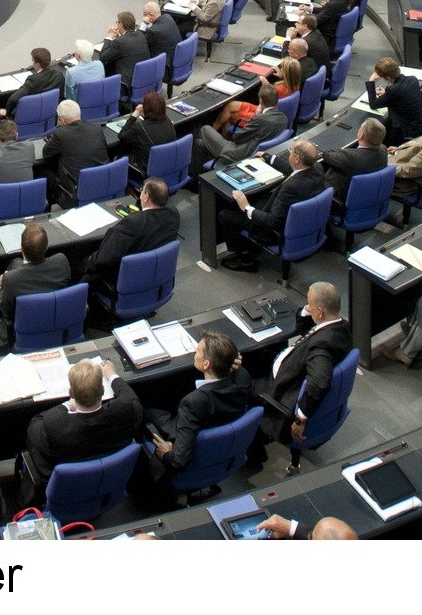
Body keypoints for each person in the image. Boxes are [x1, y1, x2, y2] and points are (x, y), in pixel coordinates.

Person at [252, 282, 353, 463]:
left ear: (320, 312)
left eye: (311, 306)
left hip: (280, 391)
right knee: (263, 355)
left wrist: (300, 419)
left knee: (243, 382)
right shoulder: (340, 327)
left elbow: (320, 382)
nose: (308, 308)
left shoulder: (322, 346)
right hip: (293, 368)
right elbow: (302, 327)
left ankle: (253, 446)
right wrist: (309, 309)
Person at [145, 330, 254, 495]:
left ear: (206, 365)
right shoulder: (244, 378)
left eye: (197, 351)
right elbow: (239, 371)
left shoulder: (193, 402)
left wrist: (166, 453)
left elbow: (178, 462)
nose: (194, 353)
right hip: (220, 439)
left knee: (144, 407)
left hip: (187, 435)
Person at [21, 357, 143, 498]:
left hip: (69, 497)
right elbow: (131, 398)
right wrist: (112, 376)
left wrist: (66, 405)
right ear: (103, 390)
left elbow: (35, 424)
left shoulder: (54, 425)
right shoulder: (124, 412)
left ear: (71, 393)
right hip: (108, 493)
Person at [222, 139, 328, 271]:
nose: (289, 152)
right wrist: (269, 157)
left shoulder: (290, 188)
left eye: (290, 151)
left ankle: (245, 259)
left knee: (226, 214)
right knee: (257, 197)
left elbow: (272, 222)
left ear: (296, 158)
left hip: (273, 232)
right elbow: (294, 169)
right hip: (299, 222)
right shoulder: (317, 167)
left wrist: (246, 207)